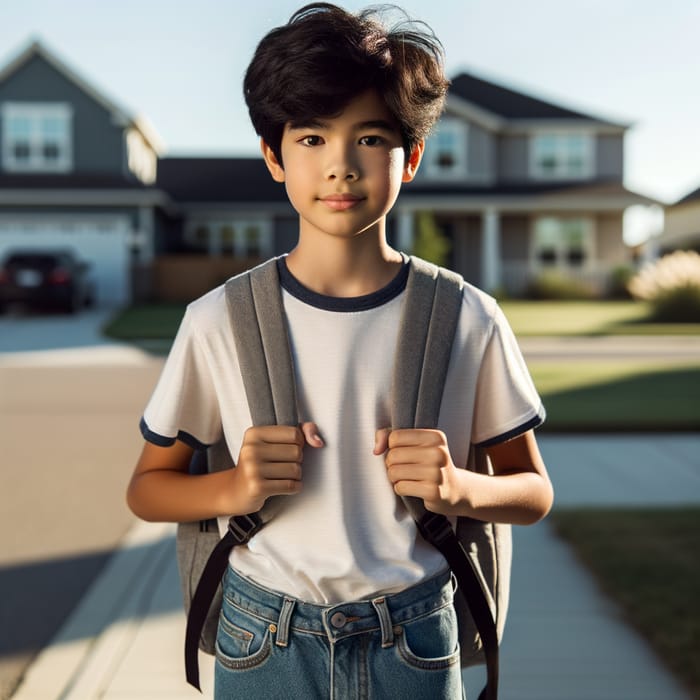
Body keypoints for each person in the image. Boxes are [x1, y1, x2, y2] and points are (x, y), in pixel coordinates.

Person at [126, 3, 554, 698]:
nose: (341, 167)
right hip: (262, 633)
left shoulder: (468, 316)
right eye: (313, 138)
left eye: (371, 138)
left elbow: (532, 491)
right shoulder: (219, 321)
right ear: (274, 156)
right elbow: (148, 489)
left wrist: (457, 488)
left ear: (410, 157)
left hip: (412, 634)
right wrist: (235, 487)